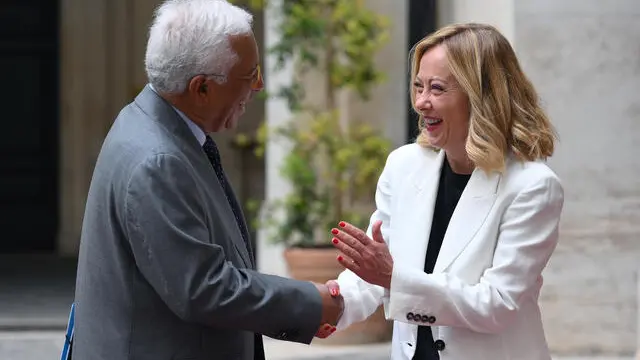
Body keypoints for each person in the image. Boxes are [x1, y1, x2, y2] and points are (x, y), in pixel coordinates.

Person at [72, 1, 342, 359]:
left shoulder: (149, 124)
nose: (258, 87)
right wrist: (312, 302)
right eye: (250, 75)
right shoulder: (158, 160)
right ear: (201, 88)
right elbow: (202, 288)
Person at [322, 23, 564, 360]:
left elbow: (496, 304)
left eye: (437, 88)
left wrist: (392, 276)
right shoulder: (403, 166)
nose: (421, 102)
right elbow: (374, 273)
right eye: (418, 86)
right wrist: (324, 303)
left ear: (482, 96)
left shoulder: (534, 187)